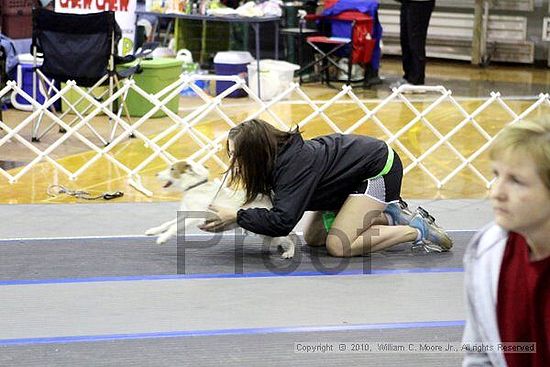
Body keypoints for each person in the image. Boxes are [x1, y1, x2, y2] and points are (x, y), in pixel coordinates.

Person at [200, 119, 453, 257]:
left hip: (379, 170)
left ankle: (415, 229)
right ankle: (387, 215)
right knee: (314, 239)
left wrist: (236, 216)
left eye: (236, 156)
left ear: (255, 155)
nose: (232, 163)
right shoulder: (277, 159)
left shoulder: (292, 168)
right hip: (344, 182)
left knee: (339, 245)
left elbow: (282, 221)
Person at [462, 119, 550, 366]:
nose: (496, 192)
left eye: (517, 181)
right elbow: (479, 355)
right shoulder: (487, 251)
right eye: (496, 175)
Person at [390, 0, 435, 89]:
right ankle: (408, 76)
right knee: (405, 39)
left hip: (421, 3)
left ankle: (417, 81)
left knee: (416, 40)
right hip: (408, 2)